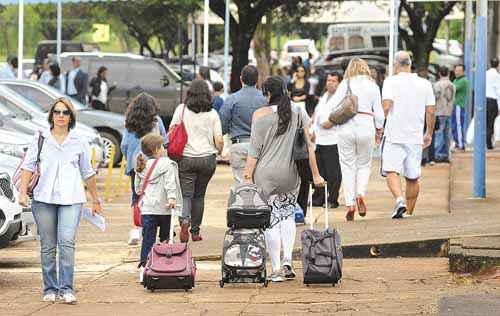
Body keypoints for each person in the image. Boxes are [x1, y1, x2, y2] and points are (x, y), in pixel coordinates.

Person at [18, 97, 102, 304]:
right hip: (43, 199)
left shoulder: (79, 141)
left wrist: (96, 200)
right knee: (48, 245)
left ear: (71, 117)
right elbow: (28, 167)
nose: (61, 116)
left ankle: (66, 288)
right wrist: (22, 192)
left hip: (72, 199)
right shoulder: (40, 137)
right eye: (57, 112)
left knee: (66, 243)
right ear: (51, 115)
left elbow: (87, 172)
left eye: (65, 113)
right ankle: (49, 287)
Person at [243, 76, 324, 282]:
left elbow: (254, 152)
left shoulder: (259, 115)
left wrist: (246, 177)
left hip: (265, 175)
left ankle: (276, 269)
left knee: (270, 220)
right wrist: (315, 175)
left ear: (268, 93)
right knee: (287, 216)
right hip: (291, 175)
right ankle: (288, 260)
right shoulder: (298, 112)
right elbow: (309, 146)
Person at [321, 58, 384, 221]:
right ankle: (360, 194)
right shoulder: (373, 85)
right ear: (365, 68)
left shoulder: (345, 83)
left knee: (347, 165)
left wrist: (331, 119)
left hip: (346, 128)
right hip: (366, 126)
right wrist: (379, 129)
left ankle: (350, 204)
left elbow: (334, 106)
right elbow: (379, 113)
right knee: (364, 164)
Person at [381, 51, 435, 219]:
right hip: (415, 136)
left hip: (394, 134)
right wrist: (429, 133)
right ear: (410, 64)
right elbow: (431, 111)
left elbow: (387, 105)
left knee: (391, 170)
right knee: (412, 176)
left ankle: (399, 200)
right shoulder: (425, 83)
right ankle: (409, 212)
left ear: (396, 65)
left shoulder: (390, 82)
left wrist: (379, 127)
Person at [170, 80, 223, 242]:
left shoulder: (181, 109)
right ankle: (195, 231)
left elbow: (172, 130)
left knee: (186, 195)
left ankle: (184, 221)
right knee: (199, 196)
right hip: (207, 159)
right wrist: (219, 152)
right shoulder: (213, 113)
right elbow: (219, 139)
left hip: (186, 158)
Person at [120, 93, 168, 244]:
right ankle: (160, 231)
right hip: (155, 165)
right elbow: (165, 141)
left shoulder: (129, 123)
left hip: (137, 166)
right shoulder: (157, 121)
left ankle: (136, 229)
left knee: (138, 197)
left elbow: (124, 145)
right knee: (158, 197)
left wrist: (130, 159)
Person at [134, 134, 182, 282]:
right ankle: (166, 266)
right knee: (166, 238)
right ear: (156, 149)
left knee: (148, 239)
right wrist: (172, 198)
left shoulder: (141, 165)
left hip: (147, 209)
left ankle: (144, 269)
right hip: (164, 209)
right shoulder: (167, 164)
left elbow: (137, 189)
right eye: (162, 146)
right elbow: (170, 183)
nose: (164, 148)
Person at [219, 65, 267, 183]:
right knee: (259, 184)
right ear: (258, 79)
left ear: (241, 79)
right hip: (262, 146)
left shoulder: (232, 99)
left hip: (239, 145)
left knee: (241, 185)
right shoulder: (266, 99)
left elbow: (222, 125)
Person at [311, 72, 343, 210]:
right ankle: (319, 197)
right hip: (320, 138)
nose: (330, 83)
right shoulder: (324, 96)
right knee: (320, 170)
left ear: (339, 83)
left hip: (333, 139)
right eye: (329, 80)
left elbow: (344, 113)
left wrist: (332, 121)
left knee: (333, 172)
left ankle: (332, 199)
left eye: (333, 81)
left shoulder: (341, 98)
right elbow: (317, 113)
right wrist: (312, 129)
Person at [433, 66, 455, 162]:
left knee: (439, 134)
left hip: (439, 112)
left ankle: (438, 155)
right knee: (447, 134)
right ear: (449, 74)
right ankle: (446, 155)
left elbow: (435, 97)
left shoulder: (437, 85)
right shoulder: (452, 85)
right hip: (449, 112)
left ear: (439, 74)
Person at [452, 64, 468, 151]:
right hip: (455, 106)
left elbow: (452, 89)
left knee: (458, 125)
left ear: (463, 71)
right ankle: (458, 143)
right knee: (454, 125)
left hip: (459, 106)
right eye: (456, 70)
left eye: (459, 71)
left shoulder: (463, 81)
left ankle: (461, 144)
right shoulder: (455, 80)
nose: (457, 72)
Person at [486, 57, 500, 149]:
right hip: (493, 101)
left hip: (484, 100)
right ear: (498, 65)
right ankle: (489, 143)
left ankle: (487, 141)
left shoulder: (485, 74)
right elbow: (498, 91)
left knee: (486, 122)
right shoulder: (497, 76)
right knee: (491, 122)